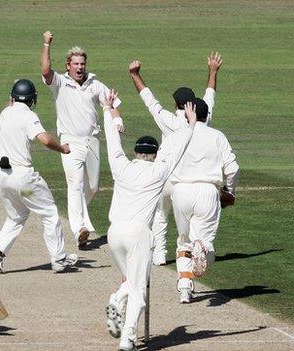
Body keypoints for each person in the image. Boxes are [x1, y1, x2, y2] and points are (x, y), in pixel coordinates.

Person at [101, 90, 197, 350]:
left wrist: (108, 110)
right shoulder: (158, 171)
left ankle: (117, 299)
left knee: (132, 282)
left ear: (136, 152)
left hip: (113, 234)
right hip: (138, 235)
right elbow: (179, 148)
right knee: (138, 292)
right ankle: (128, 338)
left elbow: (112, 141)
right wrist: (190, 123)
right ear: (154, 154)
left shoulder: (121, 166)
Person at [129, 53, 222, 265]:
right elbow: (210, 95)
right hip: (190, 180)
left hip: (167, 177)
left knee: (161, 215)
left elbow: (148, 99)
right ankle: (190, 253)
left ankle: (160, 255)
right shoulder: (203, 118)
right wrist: (213, 71)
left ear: (176, 104)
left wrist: (135, 74)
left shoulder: (169, 120)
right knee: (188, 224)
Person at [40, 30, 124, 250]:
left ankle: (78, 216)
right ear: (68, 65)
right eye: (75, 64)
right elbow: (46, 71)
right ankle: (79, 229)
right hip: (69, 142)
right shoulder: (59, 82)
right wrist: (47, 44)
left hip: (92, 141)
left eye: (82, 64)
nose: (79, 68)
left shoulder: (95, 84)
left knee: (93, 187)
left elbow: (113, 103)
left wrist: (117, 121)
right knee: (75, 185)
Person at [0, 79, 78, 274]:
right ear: (31, 99)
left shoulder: (5, 113)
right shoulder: (29, 116)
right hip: (23, 179)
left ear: (12, 97)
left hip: (2, 176)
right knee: (50, 213)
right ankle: (59, 258)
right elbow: (44, 139)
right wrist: (62, 148)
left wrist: (14, 90)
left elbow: (11, 104)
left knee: (17, 215)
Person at [169, 97, 239, 303]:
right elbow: (233, 169)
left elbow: (163, 164)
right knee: (204, 243)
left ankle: (184, 287)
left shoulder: (178, 135)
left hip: (180, 191)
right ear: (207, 116)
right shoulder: (217, 135)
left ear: (186, 114)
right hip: (208, 191)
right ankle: (203, 249)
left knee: (183, 241)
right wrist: (230, 191)